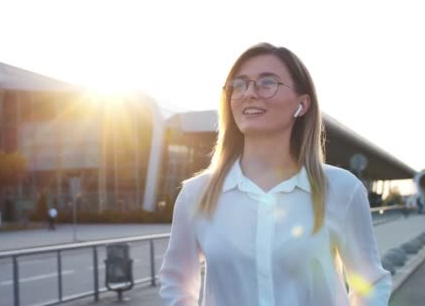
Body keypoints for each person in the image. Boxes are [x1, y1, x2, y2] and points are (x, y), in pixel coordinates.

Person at [159, 43, 392, 305]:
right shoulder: (196, 195)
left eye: (267, 82)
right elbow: (176, 284)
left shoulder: (342, 189)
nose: (249, 93)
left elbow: (371, 283)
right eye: (240, 84)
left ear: (302, 105)